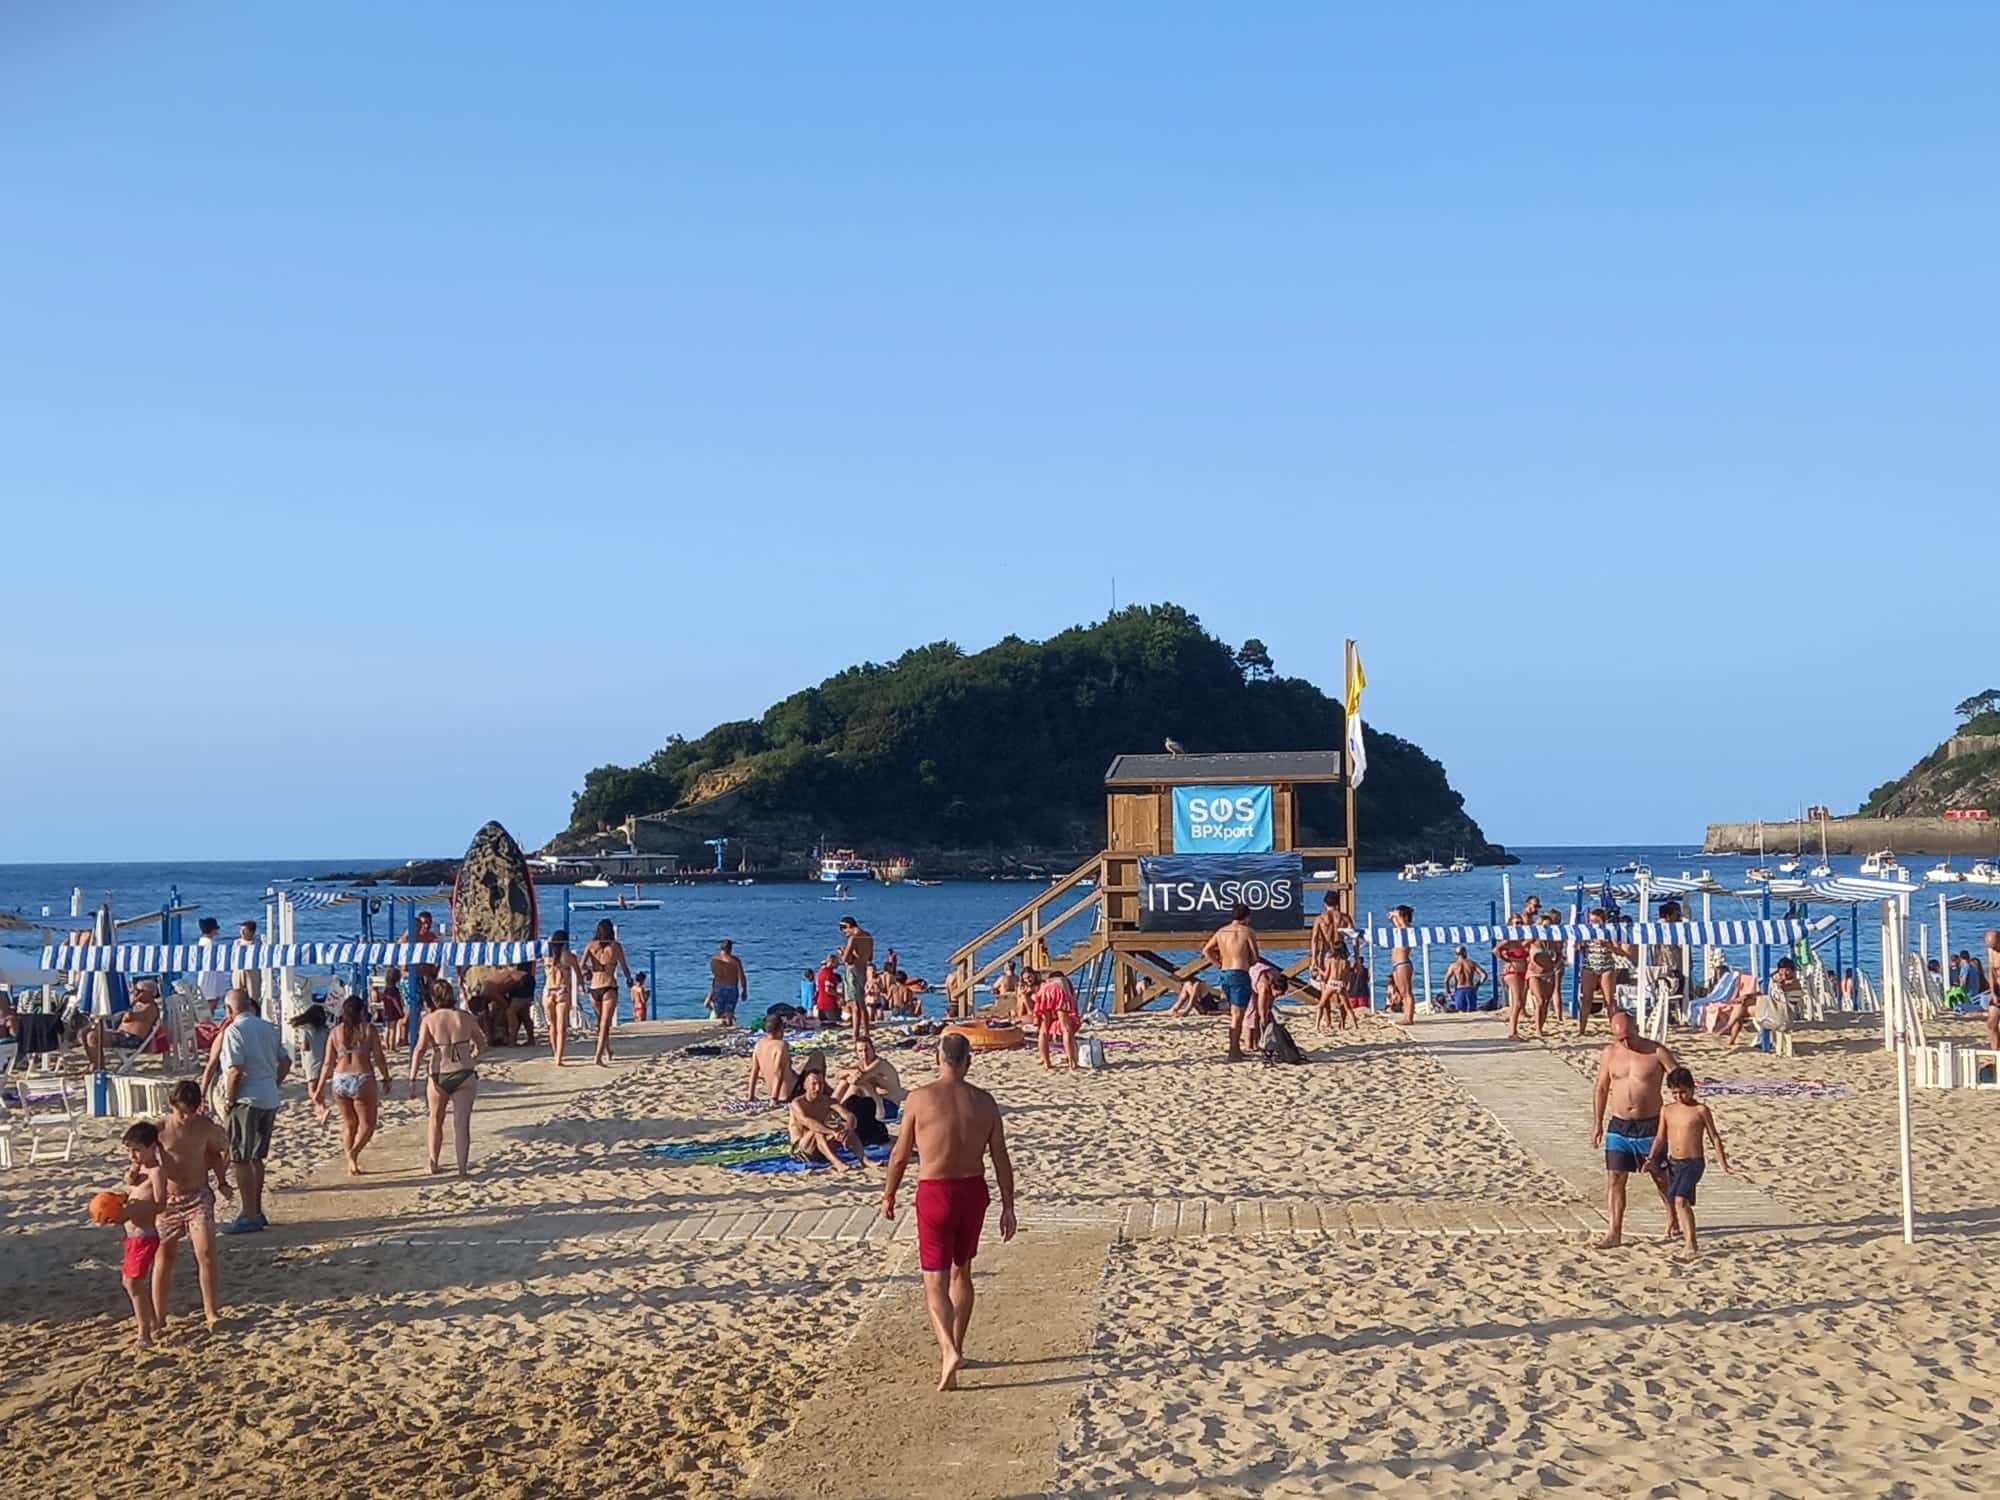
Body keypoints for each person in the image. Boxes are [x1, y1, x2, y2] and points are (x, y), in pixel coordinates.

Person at [879, 1031, 1017, 1392]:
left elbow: (900, 1155)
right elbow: (1000, 1157)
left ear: (938, 1059)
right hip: (973, 1190)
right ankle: (958, 1349)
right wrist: (1008, 1205)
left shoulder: (919, 1098)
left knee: (933, 1282)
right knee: (962, 1273)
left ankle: (948, 1350)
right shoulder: (985, 1102)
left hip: (935, 1192)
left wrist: (889, 1194)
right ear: (969, 1061)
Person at [1590, 1009, 1680, 1250]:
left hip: (1651, 1124)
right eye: (1620, 1039)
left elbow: (1679, 1081)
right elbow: (1601, 1088)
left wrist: (1679, 1118)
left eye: (1629, 1036)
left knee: (1660, 1176)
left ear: (1637, 1028)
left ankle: (1672, 1217)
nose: (1626, 1042)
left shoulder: (1656, 1052)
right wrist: (1597, 1122)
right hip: (1619, 1124)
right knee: (1615, 1177)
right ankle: (1614, 1231)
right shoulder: (1610, 1054)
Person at [154, 1079, 232, 1331]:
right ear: (172, 1105)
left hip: (198, 1196)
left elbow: (214, 1154)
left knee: (206, 1253)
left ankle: (211, 1311)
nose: (186, 1117)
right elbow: (144, 1162)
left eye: (191, 1111)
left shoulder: (204, 1127)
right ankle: (159, 1315)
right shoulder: (159, 1130)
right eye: (182, 1112)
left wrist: (222, 1181)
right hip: (169, 1201)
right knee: (165, 1256)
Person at [216, 990, 290, 1235]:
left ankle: (249, 1213)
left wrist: (229, 1099)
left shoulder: (234, 1030)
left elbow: (235, 1070)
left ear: (229, 1009)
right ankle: (255, 1210)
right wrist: (274, 1082)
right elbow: (285, 1061)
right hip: (268, 1095)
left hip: (246, 1098)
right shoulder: (268, 1028)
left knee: (241, 1158)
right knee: (256, 1157)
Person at [1643, 1067, 1732, 1260]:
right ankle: (1679, 1230)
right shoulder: (1667, 1110)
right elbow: (1660, 1137)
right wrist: (1650, 1158)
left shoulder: (1700, 1110)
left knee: (1680, 1200)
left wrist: (1723, 1163)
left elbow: (1714, 1137)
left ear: (1692, 1089)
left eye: (1683, 1092)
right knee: (1676, 1200)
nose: (1679, 1097)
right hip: (1674, 1162)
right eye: (1674, 1093)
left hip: (1693, 1162)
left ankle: (1691, 1244)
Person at [410, 980, 488, 1175]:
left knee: (435, 1119)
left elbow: (419, 1050)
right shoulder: (465, 1017)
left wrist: (412, 1078)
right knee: (462, 1124)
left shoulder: (429, 1020)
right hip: (464, 1072)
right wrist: (472, 1057)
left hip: (439, 1072)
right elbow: (481, 1044)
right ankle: (462, 1168)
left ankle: (433, 1162)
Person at [311, 995, 392, 1176]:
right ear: (361, 1011)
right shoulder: (368, 1029)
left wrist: (319, 1087)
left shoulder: (335, 1032)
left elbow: (327, 1063)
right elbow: (379, 1057)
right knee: (368, 1125)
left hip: (340, 1079)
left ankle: (351, 1163)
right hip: (362, 1077)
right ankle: (353, 1153)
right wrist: (386, 1077)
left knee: (349, 1123)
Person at [116, 1120, 166, 1347]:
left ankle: (144, 1333)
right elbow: (131, 1188)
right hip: (132, 1236)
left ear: (152, 1147)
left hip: (145, 1235)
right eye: (129, 1151)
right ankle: (152, 1323)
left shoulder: (156, 1172)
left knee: (133, 1283)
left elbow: (160, 1204)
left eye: (137, 1150)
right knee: (129, 1282)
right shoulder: (139, 1171)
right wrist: (131, 1176)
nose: (132, 1155)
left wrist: (136, 1210)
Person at [1201, 903, 1262, 1062]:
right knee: (1238, 1015)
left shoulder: (1221, 931)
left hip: (1225, 973)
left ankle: (1236, 1049)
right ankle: (1234, 1051)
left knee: (1234, 1013)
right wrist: (1248, 962)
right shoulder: (1247, 931)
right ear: (1247, 917)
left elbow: (1206, 950)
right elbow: (1255, 957)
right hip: (1239, 972)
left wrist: (1218, 963)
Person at [787, 1069, 869, 1171]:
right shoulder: (798, 1103)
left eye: (821, 1084)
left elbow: (849, 1115)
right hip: (803, 1149)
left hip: (823, 1147)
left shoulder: (827, 1101)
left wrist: (848, 1129)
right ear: (805, 1085)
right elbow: (807, 1122)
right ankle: (837, 1163)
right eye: (814, 1084)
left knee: (844, 1127)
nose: (818, 1088)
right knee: (817, 1131)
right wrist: (831, 1132)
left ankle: (864, 1160)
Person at [581, 919, 633, 1065]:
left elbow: (581, 965)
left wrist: (589, 972)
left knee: (600, 1023)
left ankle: (607, 1051)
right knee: (605, 1025)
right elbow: (624, 966)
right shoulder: (616, 946)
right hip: (609, 987)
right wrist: (629, 980)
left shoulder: (591, 946)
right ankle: (598, 1056)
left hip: (594, 988)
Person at [835, 1036, 905, 1144]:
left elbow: (858, 1079)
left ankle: (838, 1111)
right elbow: (838, 1074)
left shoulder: (879, 1064)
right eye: (860, 1051)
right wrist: (849, 1072)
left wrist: (850, 1075)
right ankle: (831, 1108)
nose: (864, 1054)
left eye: (867, 1050)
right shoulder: (861, 1064)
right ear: (856, 1053)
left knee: (859, 1084)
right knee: (844, 1081)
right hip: (876, 1103)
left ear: (873, 1049)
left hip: (888, 1108)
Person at [81, 978, 161, 1069]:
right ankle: (95, 1064)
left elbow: (128, 1017)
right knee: (84, 1032)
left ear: (149, 992)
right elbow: (125, 1017)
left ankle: (99, 1067)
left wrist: (133, 1001)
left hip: (131, 1039)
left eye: (139, 991)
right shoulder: (140, 1006)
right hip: (123, 1035)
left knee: (92, 1036)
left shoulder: (150, 1007)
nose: (135, 993)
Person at [542, 930, 585, 1066]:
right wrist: (581, 986)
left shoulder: (546, 957)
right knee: (561, 1027)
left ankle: (555, 1052)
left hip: (548, 991)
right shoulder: (569, 957)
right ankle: (558, 1058)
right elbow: (579, 974)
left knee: (552, 1026)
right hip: (562, 990)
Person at [1579, 909, 1621, 1035]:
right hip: (1589, 966)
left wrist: (1607, 945)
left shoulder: (1609, 931)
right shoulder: (1587, 931)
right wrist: (1580, 945)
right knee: (1586, 999)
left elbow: (1618, 951)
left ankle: (1614, 1029)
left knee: (1609, 1000)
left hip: (1606, 966)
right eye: (1591, 921)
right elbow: (1579, 946)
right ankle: (1582, 1029)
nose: (1593, 923)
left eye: (1596, 921)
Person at [1031, 967, 1080, 1070]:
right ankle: (1071, 1062)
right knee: (1066, 1029)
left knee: (1044, 1030)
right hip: (1059, 991)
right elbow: (1071, 999)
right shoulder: (1064, 980)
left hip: (1044, 991)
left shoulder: (1046, 982)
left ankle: (1046, 1062)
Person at [836, 917, 875, 1041]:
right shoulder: (868, 937)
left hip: (853, 971)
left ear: (849, 926)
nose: (844, 932)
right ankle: (866, 1032)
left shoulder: (853, 938)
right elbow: (870, 957)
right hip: (863, 969)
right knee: (861, 1003)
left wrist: (842, 952)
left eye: (844, 929)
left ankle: (855, 1033)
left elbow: (846, 960)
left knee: (854, 1004)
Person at [747, 1014, 798, 1102]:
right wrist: (774, 1098)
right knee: (817, 1057)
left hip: (773, 1090)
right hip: (790, 1092)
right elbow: (778, 1072)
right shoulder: (781, 1045)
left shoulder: (759, 1044)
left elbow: (754, 1071)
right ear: (780, 1029)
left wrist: (750, 1096)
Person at [1527, 912, 1563, 1038]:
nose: (1546, 929)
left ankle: (1541, 1027)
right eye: (1544, 926)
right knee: (1540, 1001)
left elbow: (1559, 954)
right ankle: (1537, 1029)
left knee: (1546, 1002)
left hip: (1549, 973)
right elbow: (1520, 946)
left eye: (1549, 926)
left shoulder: (1552, 941)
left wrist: (1555, 964)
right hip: (1534, 974)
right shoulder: (1533, 939)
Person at [1495, 927, 1531, 1039]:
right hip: (1513, 972)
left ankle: (1514, 1029)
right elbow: (1495, 950)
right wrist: (1507, 960)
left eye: (1520, 922)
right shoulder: (1509, 941)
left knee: (1519, 1002)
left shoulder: (1522, 940)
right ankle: (1512, 1031)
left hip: (1522, 972)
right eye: (1516, 923)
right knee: (1518, 1002)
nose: (1519, 925)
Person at [194, 916, 233, 1017]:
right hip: (210, 976)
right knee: (211, 1002)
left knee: (210, 1001)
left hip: (208, 975)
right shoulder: (208, 943)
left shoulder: (203, 941)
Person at [1245, 962, 1288, 1050]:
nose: (1277, 997)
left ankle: (1257, 1042)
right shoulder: (1263, 987)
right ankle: (1249, 1044)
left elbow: (1269, 1003)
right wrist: (1264, 1022)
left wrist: (1269, 1009)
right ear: (1272, 987)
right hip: (1248, 979)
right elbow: (1261, 1011)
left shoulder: (1277, 977)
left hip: (1260, 972)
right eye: (1277, 994)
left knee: (1263, 1014)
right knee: (1252, 1014)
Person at [1386, 905, 1417, 1025]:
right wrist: (1393, 916)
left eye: (1399, 915)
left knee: (1407, 992)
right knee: (1402, 992)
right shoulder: (1401, 930)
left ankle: (1409, 1018)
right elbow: (1397, 924)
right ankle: (1406, 1016)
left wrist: (1396, 914)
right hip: (1397, 964)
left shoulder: (1407, 929)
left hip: (1403, 963)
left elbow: (1402, 923)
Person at [405, 910, 444, 998]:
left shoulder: (432, 937)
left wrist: (434, 973)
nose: (427, 926)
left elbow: (439, 957)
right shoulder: (412, 938)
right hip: (413, 975)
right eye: (424, 923)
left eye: (429, 923)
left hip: (429, 976)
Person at [708, 940, 747, 1026]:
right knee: (729, 1012)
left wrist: (711, 994)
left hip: (719, 987)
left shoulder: (714, 960)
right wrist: (744, 990)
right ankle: (728, 1027)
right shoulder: (735, 960)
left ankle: (717, 1027)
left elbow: (715, 978)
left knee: (718, 1011)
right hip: (732, 987)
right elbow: (742, 976)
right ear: (730, 948)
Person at [1444, 947, 1488, 1014]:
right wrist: (1477, 985)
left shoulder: (1453, 965)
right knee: (1472, 1011)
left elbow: (1446, 980)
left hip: (1459, 990)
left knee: (1460, 1012)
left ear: (1456, 954)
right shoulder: (1471, 963)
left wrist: (1448, 992)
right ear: (1465, 952)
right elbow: (1484, 975)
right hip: (1470, 989)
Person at [232, 919, 262, 1002]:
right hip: (239, 970)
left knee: (253, 995)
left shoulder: (257, 943)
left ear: (251, 932)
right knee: (238, 994)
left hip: (252, 971)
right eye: (241, 930)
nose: (242, 932)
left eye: (244, 930)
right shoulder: (237, 942)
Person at [813, 955, 843, 1029]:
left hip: (820, 1002)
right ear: (832, 962)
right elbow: (828, 990)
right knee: (833, 1026)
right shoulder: (829, 974)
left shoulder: (820, 972)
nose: (838, 964)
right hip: (829, 1003)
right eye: (837, 962)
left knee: (824, 1026)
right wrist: (839, 995)